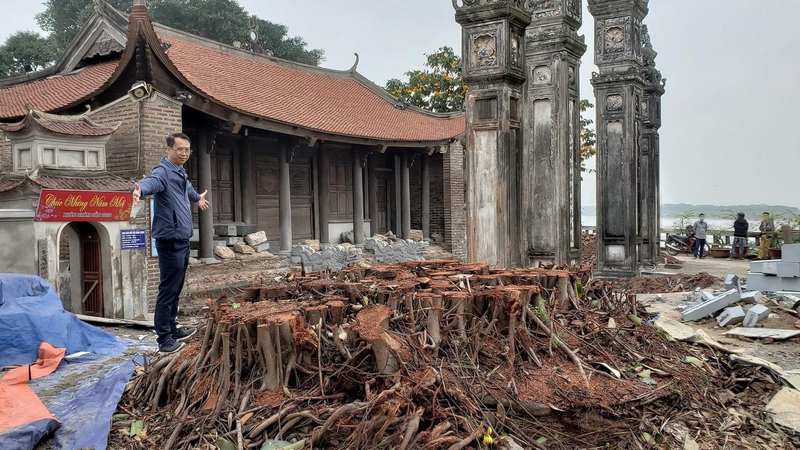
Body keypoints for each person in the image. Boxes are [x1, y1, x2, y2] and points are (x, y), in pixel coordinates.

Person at [132, 133, 210, 353]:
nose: (184, 153)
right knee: (168, 289)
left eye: (187, 150)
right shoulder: (164, 172)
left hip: (182, 239)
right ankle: (164, 338)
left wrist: (198, 198)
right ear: (169, 150)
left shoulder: (180, 173)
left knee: (175, 288)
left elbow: (189, 191)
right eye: (179, 149)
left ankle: (172, 328)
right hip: (169, 240)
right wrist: (139, 189)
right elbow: (151, 182)